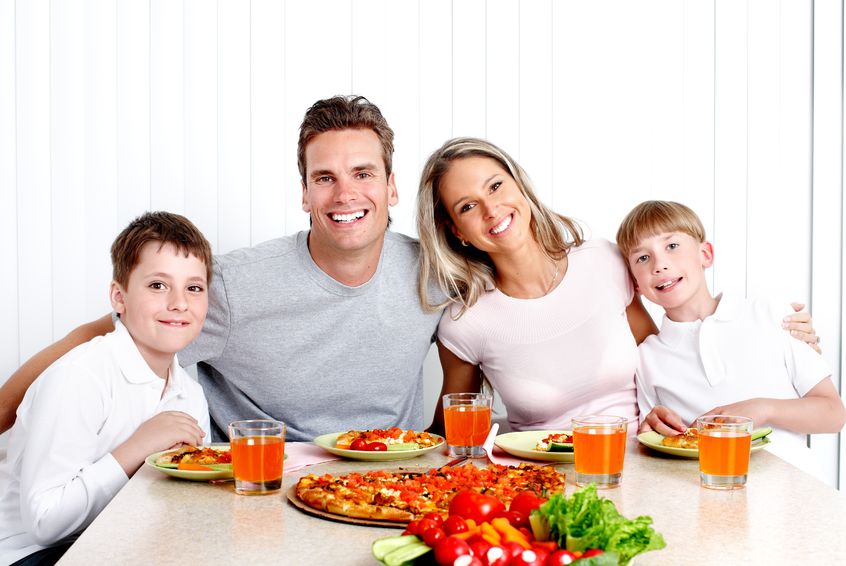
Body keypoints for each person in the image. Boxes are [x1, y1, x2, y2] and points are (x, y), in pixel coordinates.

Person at [0, 95, 442, 442]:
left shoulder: (434, 273)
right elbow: (102, 342)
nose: (345, 193)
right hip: (262, 490)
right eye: (325, 178)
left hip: (391, 486)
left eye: (363, 173)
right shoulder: (236, 286)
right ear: (305, 194)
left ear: (391, 186)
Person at [416, 137, 820, 436]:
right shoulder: (465, 323)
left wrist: (780, 339)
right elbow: (452, 431)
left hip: (646, 465)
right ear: (456, 231)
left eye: (496, 186)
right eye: (467, 206)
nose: (491, 209)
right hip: (541, 485)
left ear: (519, 186)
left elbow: (668, 355)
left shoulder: (603, 261)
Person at [0, 212, 211, 566]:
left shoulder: (190, 394)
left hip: (120, 542)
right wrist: (139, 447)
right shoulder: (79, 378)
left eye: (194, 288)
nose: (179, 303)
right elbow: (44, 522)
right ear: (119, 297)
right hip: (33, 554)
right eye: (158, 285)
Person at [615, 200, 845, 463]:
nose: (659, 264)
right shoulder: (646, 358)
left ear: (705, 254)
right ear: (635, 283)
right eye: (643, 258)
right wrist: (654, 427)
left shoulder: (772, 314)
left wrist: (762, 408)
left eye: (672, 246)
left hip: (794, 494)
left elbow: (833, 414)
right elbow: (656, 443)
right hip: (710, 493)